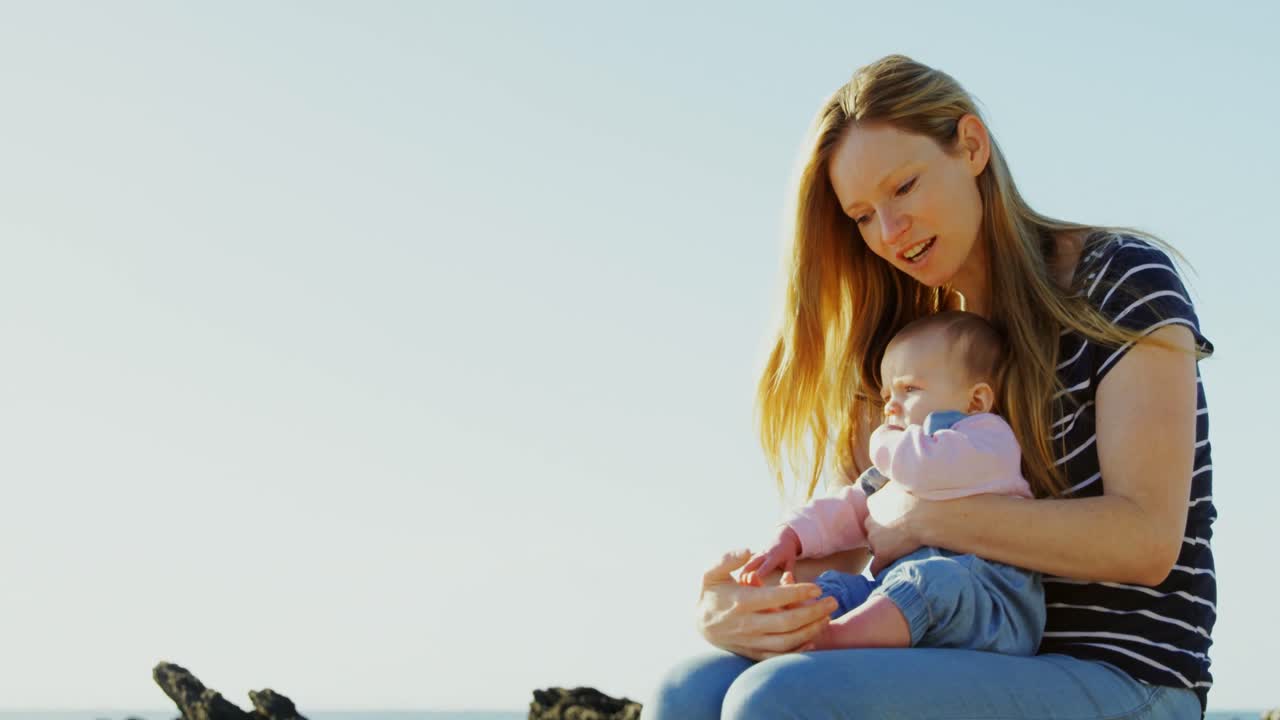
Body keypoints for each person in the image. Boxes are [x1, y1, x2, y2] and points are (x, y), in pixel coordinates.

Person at [645, 53, 1214, 720]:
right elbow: (859, 542)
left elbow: (1145, 541)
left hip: (1127, 677)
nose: (889, 232)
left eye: (904, 187)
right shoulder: (906, 349)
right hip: (948, 652)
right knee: (688, 692)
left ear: (971, 146)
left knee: (777, 700)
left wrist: (924, 514)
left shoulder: (1116, 278)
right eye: (861, 216)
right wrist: (735, 606)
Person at [737, 311, 1045, 656]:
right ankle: (799, 623)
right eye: (886, 397)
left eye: (909, 389)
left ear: (976, 401)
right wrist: (793, 536)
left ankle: (835, 639)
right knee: (839, 588)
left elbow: (928, 468)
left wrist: (883, 442)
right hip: (902, 595)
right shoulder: (902, 454)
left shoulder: (987, 439)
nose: (891, 408)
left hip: (988, 607)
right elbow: (852, 506)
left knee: (932, 581)